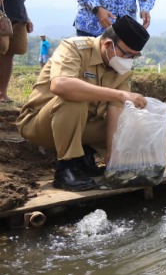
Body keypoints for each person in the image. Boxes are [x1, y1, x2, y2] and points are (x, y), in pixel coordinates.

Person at [16, 15, 150, 192]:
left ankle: (85, 159)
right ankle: (66, 168)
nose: (129, 61)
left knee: (130, 120)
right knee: (74, 98)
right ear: (108, 44)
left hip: (82, 125)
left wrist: (112, 156)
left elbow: (115, 109)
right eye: (126, 55)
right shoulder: (74, 48)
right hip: (41, 124)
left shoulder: (121, 68)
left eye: (134, 57)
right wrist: (119, 94)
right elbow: (60, 85)